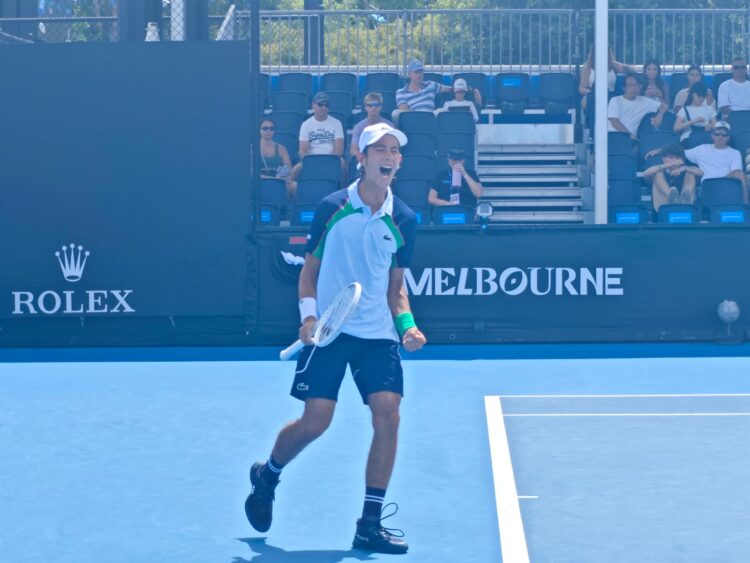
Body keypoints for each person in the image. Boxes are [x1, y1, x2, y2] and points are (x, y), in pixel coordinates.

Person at [245, 123, 427, 555]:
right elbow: (308, 272)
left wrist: (407, 328)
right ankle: (268, 474)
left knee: (389, 414)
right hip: (330, 328)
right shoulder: (332, 208)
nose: (388, 156)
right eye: (379, 149)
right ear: (361, 160)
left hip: (378, 333)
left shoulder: (405, 219)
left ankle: (369, 523)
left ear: (398, 163)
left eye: (394, 151)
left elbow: (396, 287)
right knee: (316, 422)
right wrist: (309, 321)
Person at [684, 121, 748, 202]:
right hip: (706, 188)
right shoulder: (702, 149)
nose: (720, 137)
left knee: (740, 174)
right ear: (712, 136)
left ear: (728, 138)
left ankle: (746, 208)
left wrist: (718, 181)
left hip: (727, 187)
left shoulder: (735, 153)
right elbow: (680, 153)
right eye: (717, 134)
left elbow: (736, 173)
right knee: (690, 172)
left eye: (724, 135)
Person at [291, 91, 345, 184]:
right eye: (320, 104)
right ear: (313, 105)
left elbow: (338, 149)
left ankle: (344, 193)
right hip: (311, 159)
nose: (323, 107)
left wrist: (327, 161)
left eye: (326, 105)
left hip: (331, 158)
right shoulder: (306, 124)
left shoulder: (336, 123)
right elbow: (303, 150)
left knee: (342, 163)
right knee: (295, 170)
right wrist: (314, 162)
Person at [391, 59, 454, 125]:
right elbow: (404, 111)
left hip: (431, 117)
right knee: (395, 113)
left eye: (421, 72)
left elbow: (449, 89)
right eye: (416, 72)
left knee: (441, 111)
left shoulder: (431, 85)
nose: (419, 75)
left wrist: (459, 88)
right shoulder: (401, 92)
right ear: (409, 74)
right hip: (413, 118)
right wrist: (418, 116)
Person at [607, 73, 667, 141]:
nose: (634, 88)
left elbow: (664, 106)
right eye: (630, 85)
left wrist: (659, 115)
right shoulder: (615, 100)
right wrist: (630, 136)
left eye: (636, 85)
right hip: (613, 135)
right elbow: (614, 121)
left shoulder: (644, 101)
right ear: (624, 88)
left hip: (630, 141)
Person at [643, 144, 702, 210]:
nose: (674, 161)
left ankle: (685, 200)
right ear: (663, 158)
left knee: (690, 174)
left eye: (677, 158)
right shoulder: (660, 169)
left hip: (686, 206)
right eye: (671, 157)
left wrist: (684, 168)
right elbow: (645, 174)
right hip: (663, 206)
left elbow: (701, 173)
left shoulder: (686, 169)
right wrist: (667, 165)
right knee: (658, 174)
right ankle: (671, 197)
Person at [578, 45, 634, 112]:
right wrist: (590, 92)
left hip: (612, 95)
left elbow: (629, 69)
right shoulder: (588, 68)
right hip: (593, 95)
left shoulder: (614, 66)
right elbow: (581, 88)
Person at [350, 92, 394, 160]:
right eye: (370, 105)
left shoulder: (389, 126)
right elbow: (353, 150)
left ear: (381, 107)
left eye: (377, 105)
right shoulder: (358, 127)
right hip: (365, 158)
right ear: (365, 107)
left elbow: (393, 146)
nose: (374, 107)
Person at [259, 117, 296, 198]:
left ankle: (284, 209)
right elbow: (251, 174)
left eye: (271, 129)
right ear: (259, 130)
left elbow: (290, 170)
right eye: (265, 128)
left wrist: (287, 177)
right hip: (259, 183)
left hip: (278, 182)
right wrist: (273, 179)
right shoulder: (253, 148)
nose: (268, 131)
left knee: (295, 186)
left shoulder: (281, 149)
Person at [673, 82, 716, 147]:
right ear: (693, 94)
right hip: (688, 139)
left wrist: (710, 126)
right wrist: (693, 121)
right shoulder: (684, 109)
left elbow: (716, 126)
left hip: (706, 138)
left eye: (703, 97)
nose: (701, 99)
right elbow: (676, 128)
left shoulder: (709, 109)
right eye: (699, 96)